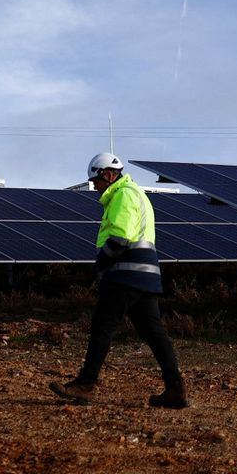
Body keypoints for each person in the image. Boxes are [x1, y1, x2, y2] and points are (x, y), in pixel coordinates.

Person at [49, 152, 188, 409]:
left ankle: (86, 384)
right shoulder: (138, 195)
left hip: (126, 273)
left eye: (97, 181)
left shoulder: (123, 195)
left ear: (109, 175)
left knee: (103, 326)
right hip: (146, 274)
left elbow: (120, 237)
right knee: (153, 332)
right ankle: (175, 388)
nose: (96, 187)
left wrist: (102, 261)